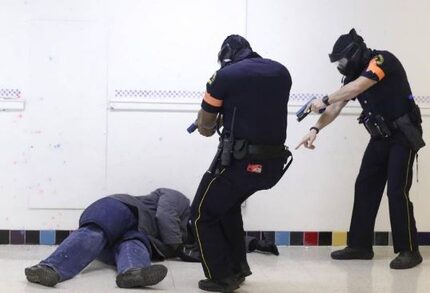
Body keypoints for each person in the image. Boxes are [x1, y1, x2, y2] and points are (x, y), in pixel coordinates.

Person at [296, 29, 425, 269]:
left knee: (396, 191)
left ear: (354, 54)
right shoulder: (351, 78)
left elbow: (356, 88)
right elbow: (335, 108)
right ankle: (360, 246)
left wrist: (324, 99)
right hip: (380, 137)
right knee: (365, 185)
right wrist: (315, 129)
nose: (341, 66)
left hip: (403, 134)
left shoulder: (381, 60)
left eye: (342, 60)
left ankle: (409, 250)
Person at [191, 34, 292, 292]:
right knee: (227, 207)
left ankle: (221, 277)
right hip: (272, 165)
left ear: (226, 56)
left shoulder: (224, 76)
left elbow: (205, 126)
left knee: (201, 214)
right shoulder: (281, 72)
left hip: (239, 162)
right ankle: (237, 269)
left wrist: (214, 120)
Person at [25, 188, 190, 288]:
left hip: (136, 231)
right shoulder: (180, 199)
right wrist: (176, 247)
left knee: (134, 243)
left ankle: (133, 272)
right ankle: (48, 268)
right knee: (97, 232)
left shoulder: (151, 233)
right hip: (121, 207)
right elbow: (164, 216)